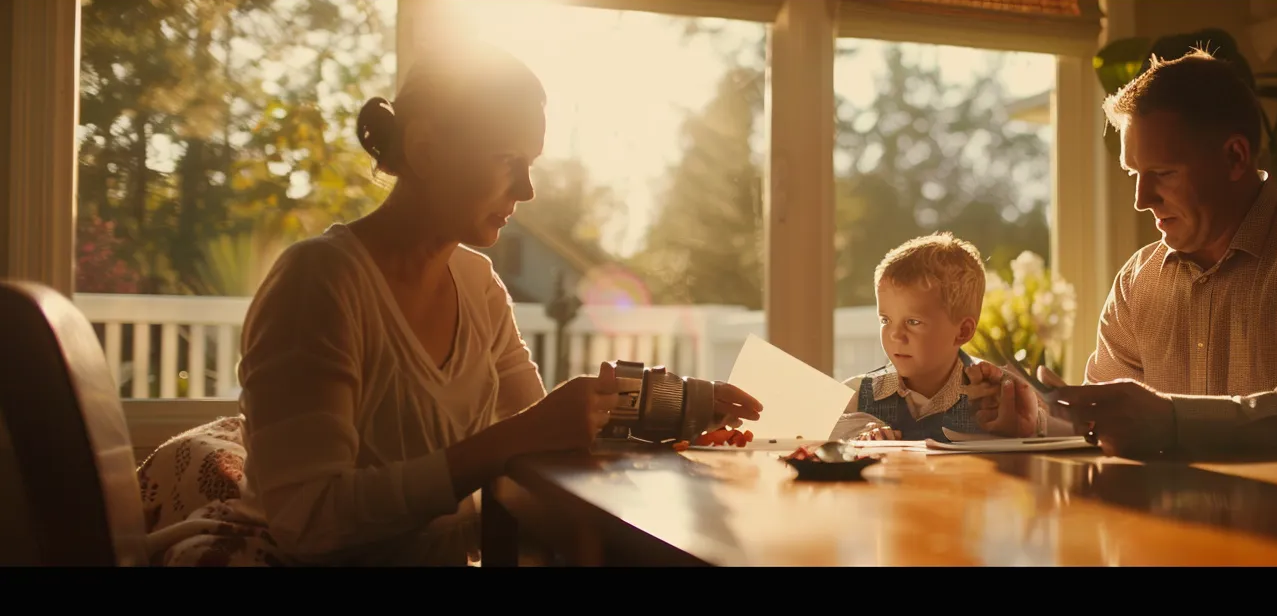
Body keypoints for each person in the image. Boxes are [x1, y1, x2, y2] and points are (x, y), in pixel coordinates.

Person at [234, 43, 763, 566]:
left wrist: (683, 404)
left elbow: (545, 438)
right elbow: (306, 519)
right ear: (423, 148)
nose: (528, 189)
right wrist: (512, 440)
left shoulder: (477, 283)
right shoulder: (319, 280)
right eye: (508, 160)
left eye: (530, 163)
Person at [973, 50, 1277, 459]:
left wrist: (1173, 421)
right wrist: (1037, 419)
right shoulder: (1136, 281)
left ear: (1235, 157)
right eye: (1134, 174)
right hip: (1176, 530)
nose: (1142, 199)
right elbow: (1104, 422)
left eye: (1163, 173)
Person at [828, 233, 1021, 443]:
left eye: (913, 322)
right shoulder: (855, 395)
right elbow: (804, 432)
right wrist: (855, 432)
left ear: (963, 331)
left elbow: (1042, 429)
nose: (895, 335)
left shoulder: (996, 395)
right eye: (885, 320)